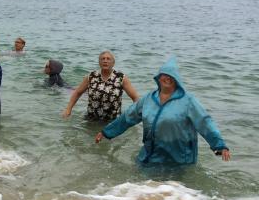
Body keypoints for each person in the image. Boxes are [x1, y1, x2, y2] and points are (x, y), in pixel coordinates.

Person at [95, 57, 231, 165]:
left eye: (171, 75)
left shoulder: (188, 100)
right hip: (150, 156)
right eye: (164, 74)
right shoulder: (149, 99)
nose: (168, 78)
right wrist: (106, 132)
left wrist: (219, 145)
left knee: (176, 190)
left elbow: (204, 123)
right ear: (158, 77)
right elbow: (127, 117)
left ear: (177, 79)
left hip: (180, 159)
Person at [62, 50, 139, 121]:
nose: (105, 61)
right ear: (99, 62)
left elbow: (135, 98)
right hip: (92, 119)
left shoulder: (121, 78)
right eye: (103, 59)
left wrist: (134, 113)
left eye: (108, 59)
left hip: (113, 121)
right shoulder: (91, 76)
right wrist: (68, 109)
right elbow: (77, 93)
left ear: (113, 63)